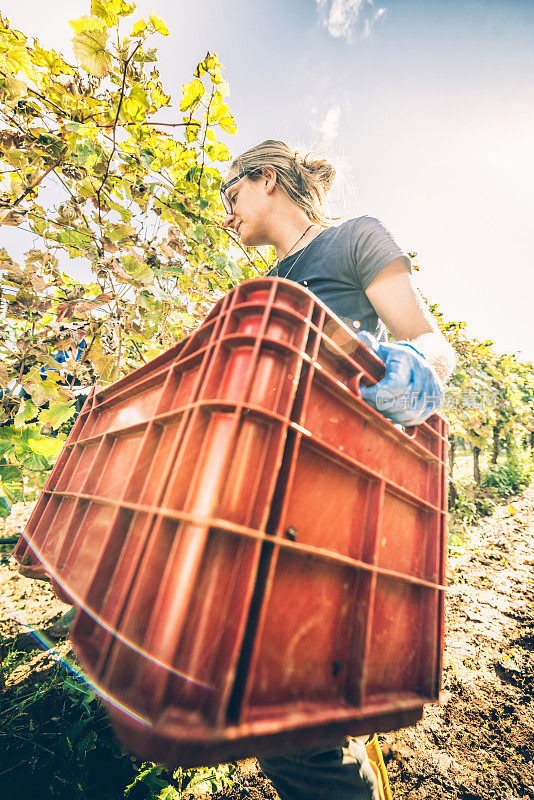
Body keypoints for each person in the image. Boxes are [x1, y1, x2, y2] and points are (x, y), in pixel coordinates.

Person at [221, 140, 456, 800]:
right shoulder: (257, 292)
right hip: (268, 505)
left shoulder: (354, 239)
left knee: (294, 719)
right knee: (289, 706)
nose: (226, 215)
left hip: (334, 498)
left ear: (264, 178)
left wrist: (419, 372)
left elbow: (432, 343)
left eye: (228, 194)